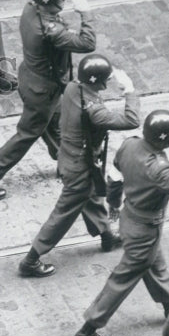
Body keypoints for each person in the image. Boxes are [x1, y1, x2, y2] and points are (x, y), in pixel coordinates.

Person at [73, 110, 169, 336]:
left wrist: (113, 203)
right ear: (167, 140)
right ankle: (88, 330)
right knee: (124, 277)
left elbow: (115, 176)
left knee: (153, 262)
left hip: (131, 218)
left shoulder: (129, 146)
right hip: (145, 228)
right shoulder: (158, 167)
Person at [0, 0, 96, 201]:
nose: (64, 1)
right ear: (51, 3)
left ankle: (63, 159)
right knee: (29, 132)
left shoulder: (30, 9)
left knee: (57, 119)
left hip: (32, 79)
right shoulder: (52, 31)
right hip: (44, 90)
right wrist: (85, 12)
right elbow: (88, 43)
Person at [18, 54, 139, 276]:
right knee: (63, 214)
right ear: (98, 82)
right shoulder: (95, 110)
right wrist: (129, 91)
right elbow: (132, 120)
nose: (107, 83)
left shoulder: (74, 88)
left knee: (91, 195)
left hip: (71, 157)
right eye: (106, 79)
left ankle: (106, 236)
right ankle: (31, 260)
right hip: (80, 168)